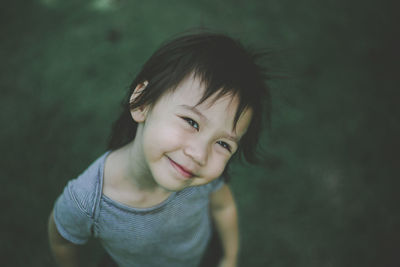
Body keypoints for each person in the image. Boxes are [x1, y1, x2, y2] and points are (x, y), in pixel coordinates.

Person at [48, 30, 271, 267]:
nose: (199, 154)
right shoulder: (86, 201)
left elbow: (223, 205)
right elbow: (62, 241)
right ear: (142, 102)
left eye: (223, 144)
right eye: (191, 122)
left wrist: (229, 257)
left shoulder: (202, 180)